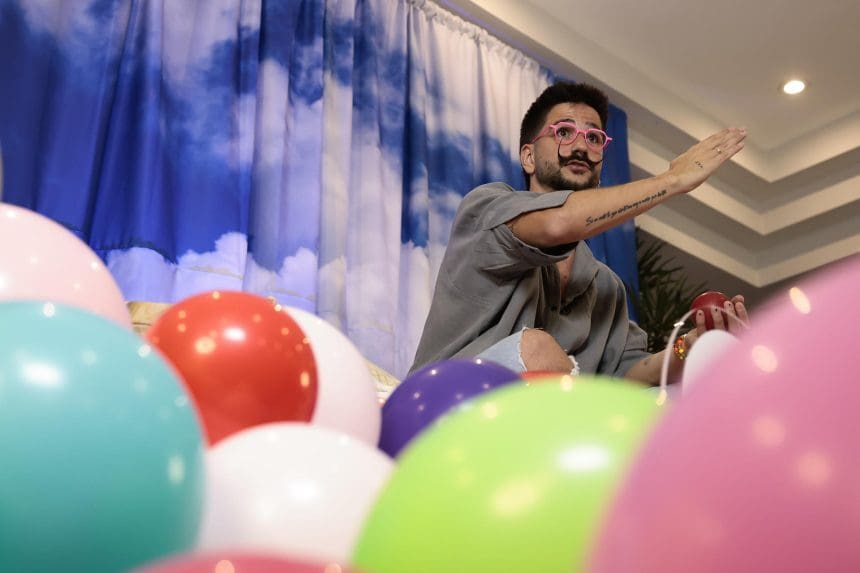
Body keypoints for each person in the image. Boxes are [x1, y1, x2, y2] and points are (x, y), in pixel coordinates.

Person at [410, 81, 749, 385]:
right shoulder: (486, 208)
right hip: (436, 411)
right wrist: (671, 181)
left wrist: (688, 346)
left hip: (529, 430)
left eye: (594, 137)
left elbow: (626, 378)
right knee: (538, 348)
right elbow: (559, 221)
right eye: (563, 132)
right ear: (528, 157)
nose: (582, 146)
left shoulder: (605, 286)